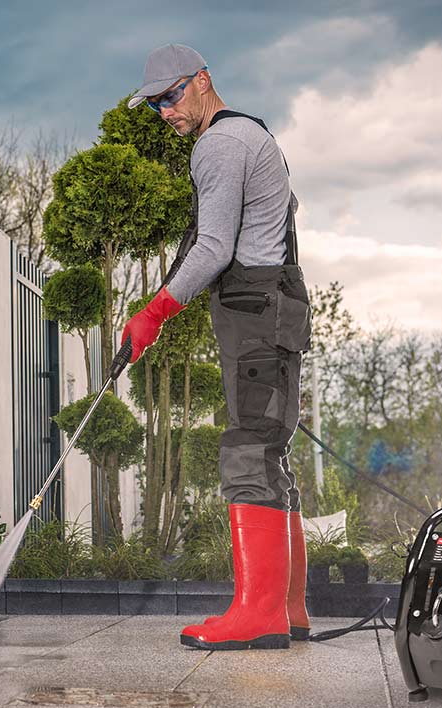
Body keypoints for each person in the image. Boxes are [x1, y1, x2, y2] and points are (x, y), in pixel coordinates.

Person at [120, 44, 313, 651]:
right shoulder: (252, 134)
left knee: (248, 452)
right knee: (269, 452)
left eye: (171, 96)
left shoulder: (221, 144)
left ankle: (258, 614)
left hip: (257, 310)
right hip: (271, 307)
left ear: (202, 81)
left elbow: (213, 248)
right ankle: (287, 608)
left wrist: (155, 310)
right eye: (154, 104)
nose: (165, 112)